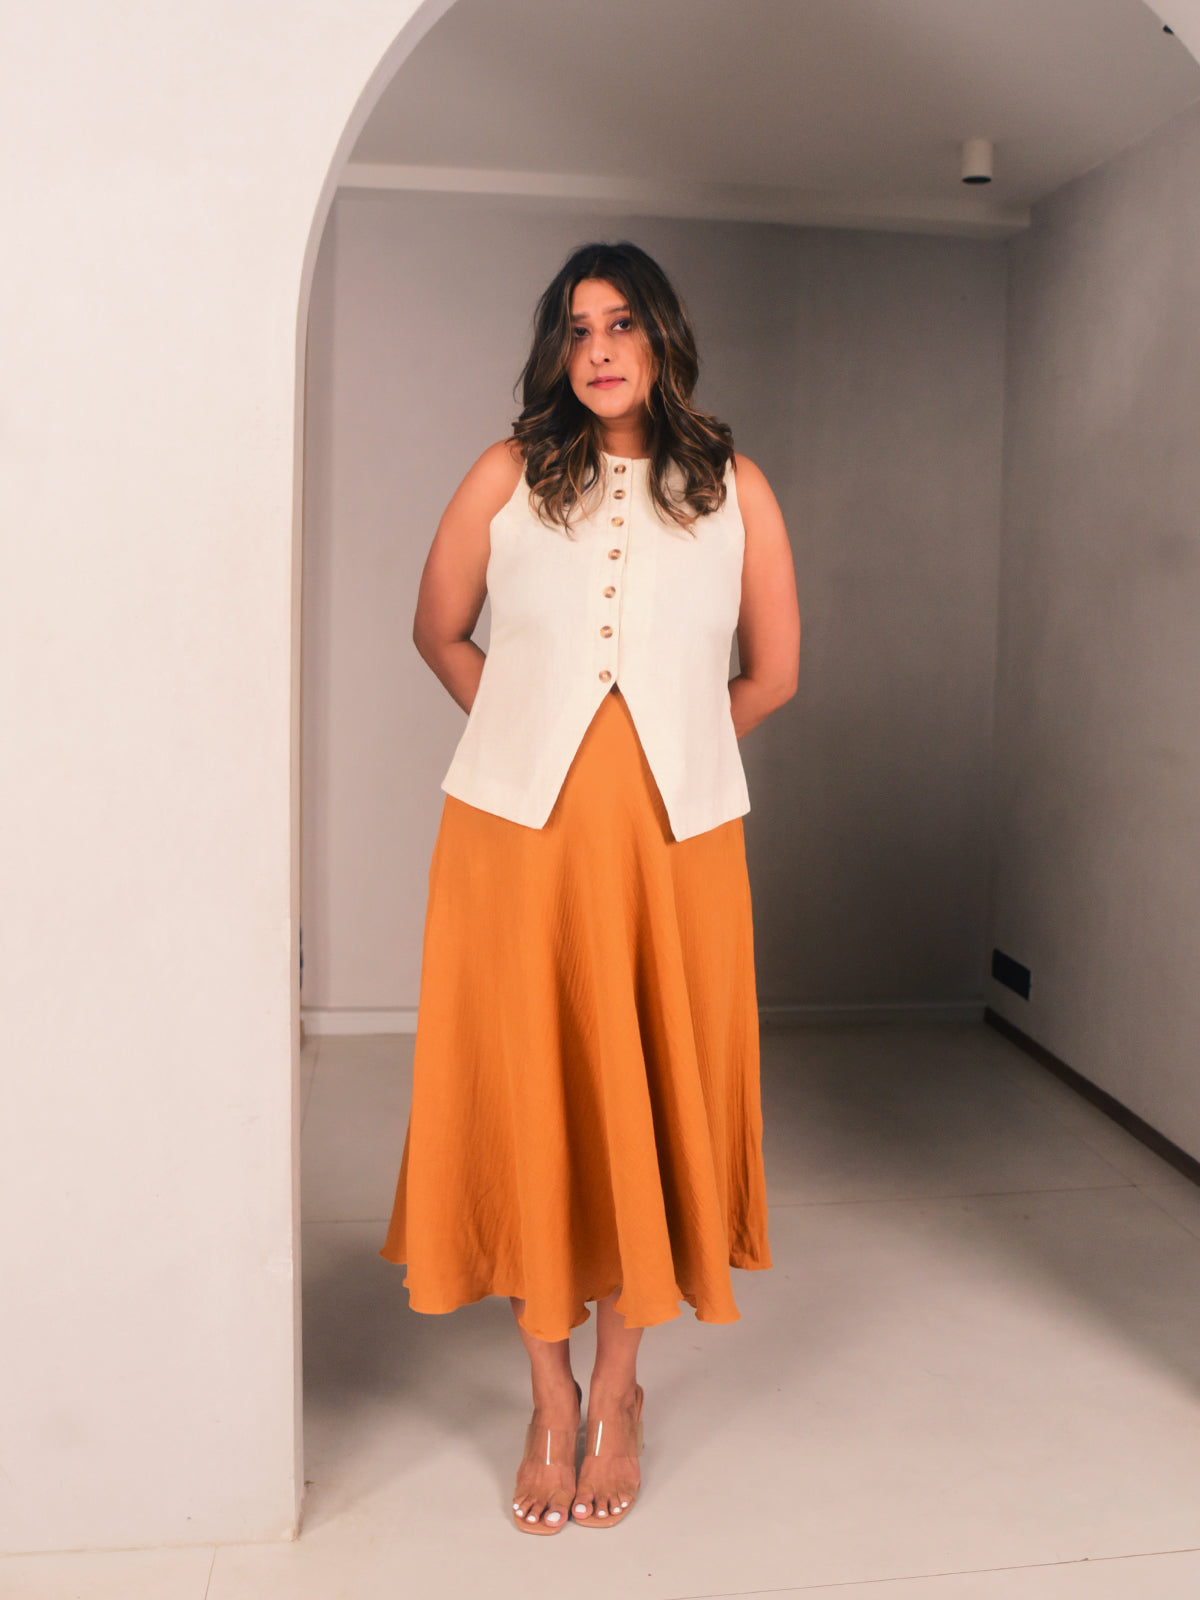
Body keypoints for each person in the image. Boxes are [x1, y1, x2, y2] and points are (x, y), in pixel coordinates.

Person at [379, 240, 800, 1535]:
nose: (601, 349)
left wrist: (670, 751)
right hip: (515, 842)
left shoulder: (734, 489)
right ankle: (549, 1396)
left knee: (643, 1099)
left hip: (673, 847)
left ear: (663, 338)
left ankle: (619, 1387)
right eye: (578, 329)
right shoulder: (505, 475)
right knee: (533, 1095)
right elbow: (437, 629)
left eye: (622, 323)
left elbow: (774, 672)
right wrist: (525, 730)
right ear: (556, 351)